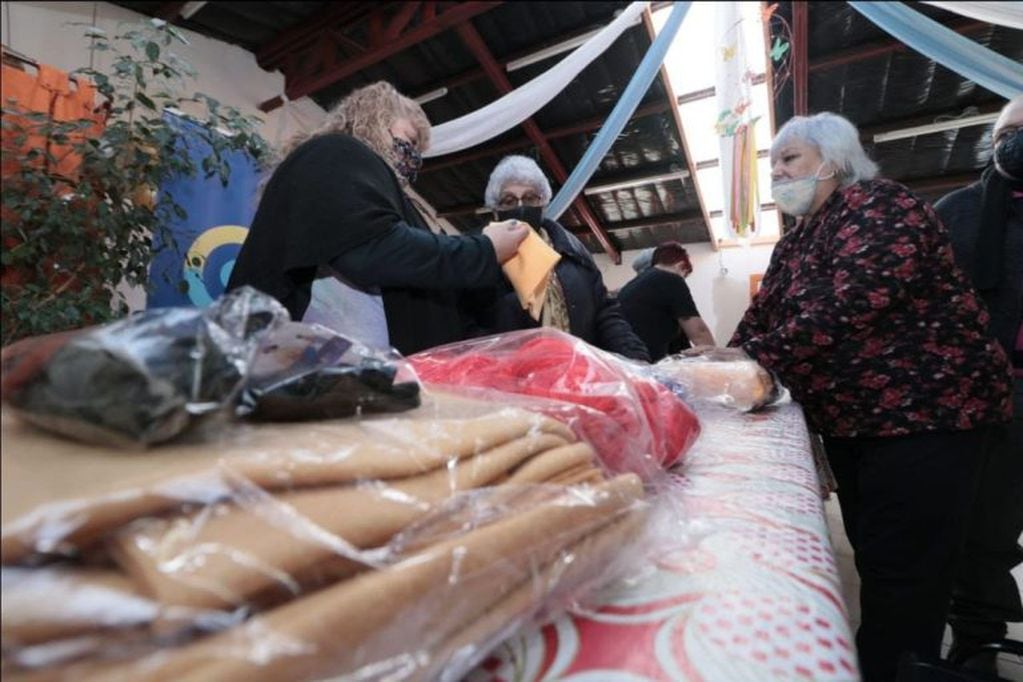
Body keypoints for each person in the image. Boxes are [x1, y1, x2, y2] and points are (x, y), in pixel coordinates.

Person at [729, 112, 1013, 682]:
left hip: (926, 416)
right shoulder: (797, 241)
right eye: (773, 163)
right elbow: (759, 318)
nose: (777, 172)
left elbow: (851, 303)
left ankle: (897, 669)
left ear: (834, 162)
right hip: (860, 424)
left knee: (904, 575)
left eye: (790, 159)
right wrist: (719, 364)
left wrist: (748, 367)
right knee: (882, 559)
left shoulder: (879, 205)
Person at [227, 81, 527, 355]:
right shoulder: (335, 152)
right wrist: (484, 250)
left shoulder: (354, 180)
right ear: (375, 119)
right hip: (314, 376)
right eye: (408, 141)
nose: (414, 159)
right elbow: (372, 249)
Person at [934, 94, 1023, 673]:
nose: (1018, 140)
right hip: (981, 396)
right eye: (1010, 130)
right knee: (978, 525)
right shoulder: (957, 211)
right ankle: (977, 640)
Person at [464, 155, 650, 361]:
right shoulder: (477, 255)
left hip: (576, 374)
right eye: (508, 201)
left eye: (530, 198)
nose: (521, 206)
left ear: (543, 202)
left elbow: (605, 314)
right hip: (511, 382)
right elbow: (465, 327)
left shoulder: (574, 252)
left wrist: (635, 359)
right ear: (495, 209)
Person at [617, 241, 715, 361]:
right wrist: (716, 361)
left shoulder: (632, 285)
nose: (683, 280)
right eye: (684, 276)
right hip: (644, 361)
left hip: (623, 359)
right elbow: (699, 332)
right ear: (681, 266)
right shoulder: (671, 279)